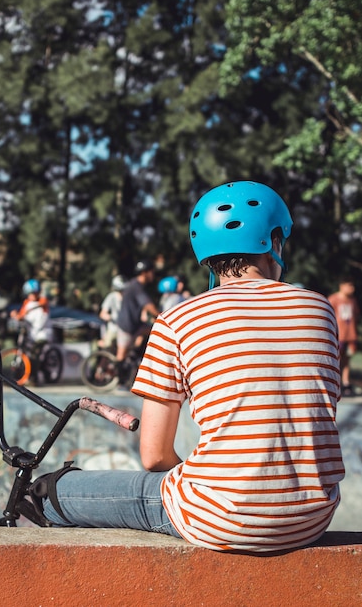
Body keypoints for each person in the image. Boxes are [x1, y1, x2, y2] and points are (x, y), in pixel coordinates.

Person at [41, 181, 344, 554]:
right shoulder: (320, 310)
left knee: (53, 489)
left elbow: (153, 456)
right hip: (312, 518)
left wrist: (212, 484)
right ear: (275, 241)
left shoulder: (177, 320)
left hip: (220, 520)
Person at [115, 260, 160, 366]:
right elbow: (148, 305)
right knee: (121, 355)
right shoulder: (137, 287)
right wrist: (161, 316)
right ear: (145, 273)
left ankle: (137, 355)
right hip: (127, 325)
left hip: (135, 325)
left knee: (152, 330)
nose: (153, 274)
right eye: (151, 271)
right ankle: (120, 379)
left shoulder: (136, 285)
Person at [10, 279, 53, 383]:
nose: (32, 296)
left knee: (35, 354)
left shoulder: (43, 301)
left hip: (42, 334)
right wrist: (16, 315)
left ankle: (34, 377)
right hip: (30, 334)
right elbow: (21, 315)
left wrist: (31, 309)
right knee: (24, 350)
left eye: (35, 293)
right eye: (30, 294)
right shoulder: (27, 303)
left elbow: (43, 304)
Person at [328, 277, 360, 396]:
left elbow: (355, 317)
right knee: (337, 360)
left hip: (350, 335)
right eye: (349, 285)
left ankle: (345, 383)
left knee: (347, 360)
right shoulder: (334, 299)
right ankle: (336, 382)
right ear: (342, 286)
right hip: (338, 335)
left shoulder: (352, 300)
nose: (352, 289)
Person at [98, 274, 127, 348]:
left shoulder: (127, 297)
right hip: (113, 328)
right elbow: (102, 313)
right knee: (107, 347)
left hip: (125, 329)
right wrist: (111, 317)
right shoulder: (112, 297)